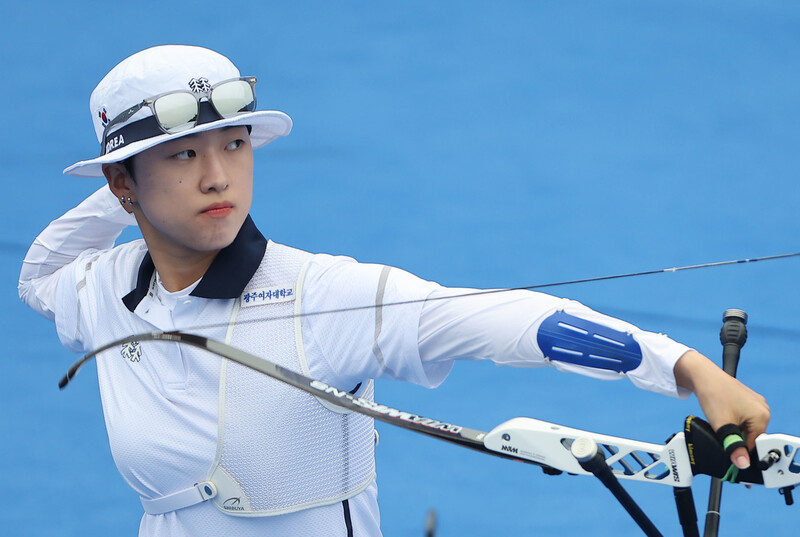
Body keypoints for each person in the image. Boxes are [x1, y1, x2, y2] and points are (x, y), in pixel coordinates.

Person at [18, 45, 769, 536]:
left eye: (235, 144)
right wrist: (118, 185)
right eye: (183, 154)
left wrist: (685, 367)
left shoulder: (323, 292)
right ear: (123, 183)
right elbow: (38, 274)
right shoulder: (102, 287)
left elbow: (505, 320)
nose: (218, 175)